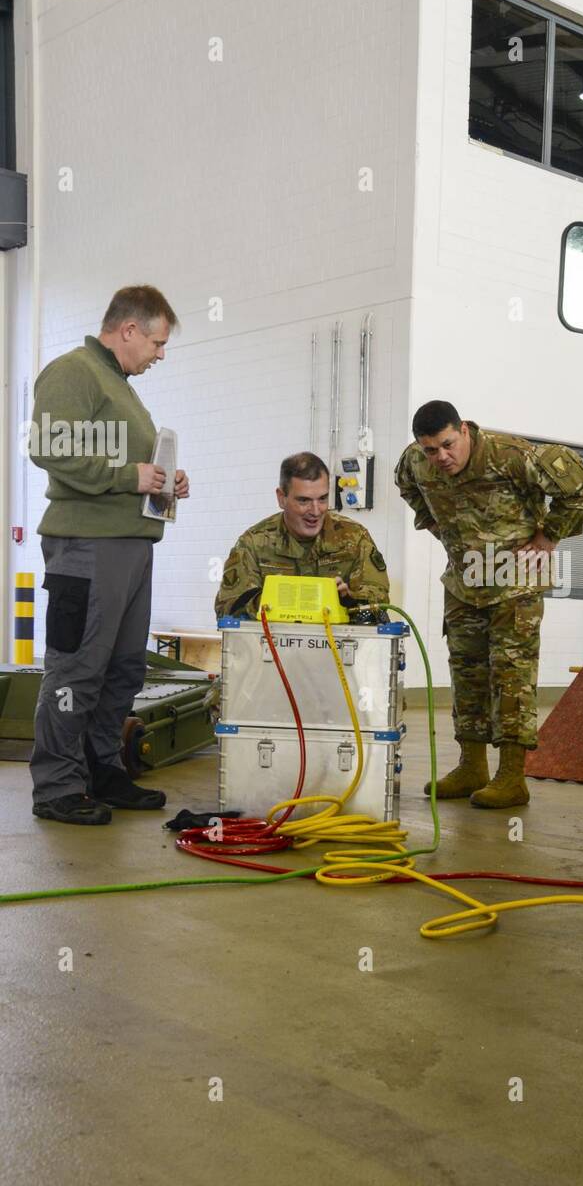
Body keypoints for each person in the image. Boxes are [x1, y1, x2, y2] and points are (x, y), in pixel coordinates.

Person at [28, 285, 189, 826]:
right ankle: (57, 785)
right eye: (157, 343)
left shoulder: (119, 384)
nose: (160, 354)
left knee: (122, 670)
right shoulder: (74, 371)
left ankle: (100, 769)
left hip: (132, 546)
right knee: (77, 670)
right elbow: (48, 447)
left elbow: (126, 464)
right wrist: (130, 475)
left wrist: (163, 481)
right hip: (87, 549)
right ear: (128, 330)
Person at [395, 401, 583, 809]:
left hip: (513, 583)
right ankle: (472, 766)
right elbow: (408, 486)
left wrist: (549, 537)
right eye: (432, 450)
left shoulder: (511, 456)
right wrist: (435, 523)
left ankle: (511, 777)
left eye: (448, 445)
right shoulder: (416, 461)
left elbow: (578, 490)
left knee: (511, 676)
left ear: (464, 430)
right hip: (464, 581)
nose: (441, 457)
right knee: (466, 671)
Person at [215, 452, 389, 619]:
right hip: (271, 647)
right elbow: (228, 608)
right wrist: (278, 601)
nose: (315, 511)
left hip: (338, 647)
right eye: (304, 500)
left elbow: (380, 605)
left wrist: (348, 600)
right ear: (281, 498)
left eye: (322, 499)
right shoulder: (254, 543)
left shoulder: (354, 538)